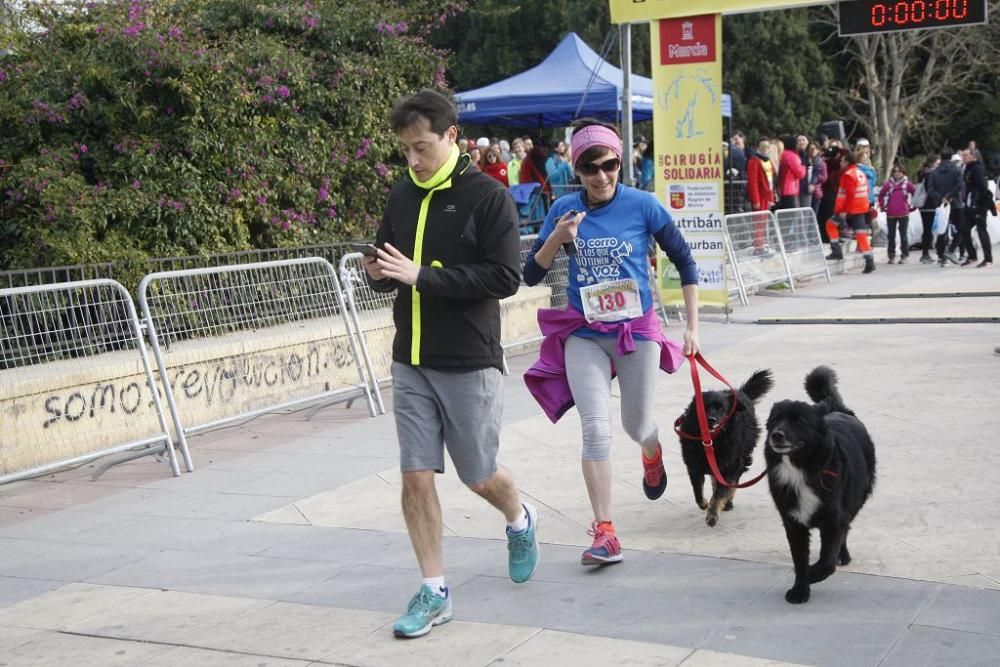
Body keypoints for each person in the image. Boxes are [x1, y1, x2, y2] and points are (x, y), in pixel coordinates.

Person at [364, 89, 539, 639]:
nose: (413, 160)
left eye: (422, 148)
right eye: (406, 151)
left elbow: (504, 278)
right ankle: (434, 590)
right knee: (415, 475)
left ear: (451, 137)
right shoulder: (400, 193)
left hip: (469, 359)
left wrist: (423, 276)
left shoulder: (488, 197)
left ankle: (519, 518)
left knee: (479, 476)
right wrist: (378, 269)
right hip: (410, 358)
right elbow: (391, 254)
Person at [522, 118, 700, 567]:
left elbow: (684, 259)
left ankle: (651, 448)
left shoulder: (643, 205)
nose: (601, 176)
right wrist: (558, 239)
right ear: (576, 169)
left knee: (634, 425)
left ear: (620, 162)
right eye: (589, 167)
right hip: (583, 333)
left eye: (609, 165)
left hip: (635, 332)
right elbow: (531, 273)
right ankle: (605, 532)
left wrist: (692, 327)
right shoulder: (563, 208)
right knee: (595, 429)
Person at [825, 149, 876, 273]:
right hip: (861, 208)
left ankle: (837, 251)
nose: (840, 163)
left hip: (849, 209)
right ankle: (869, 261)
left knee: (830, 225)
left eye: (842, 161)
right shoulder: (860, 172)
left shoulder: (848, 175)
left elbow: (849, 194)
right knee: (861, 234)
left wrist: (844, 211)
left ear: (847, 162)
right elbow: (867, 190)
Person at [960, 147, 995, 267]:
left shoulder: (977, 169)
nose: (963, 157)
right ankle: (972, 255)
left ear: (973, 156)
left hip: (978, 204)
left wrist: (982, 203)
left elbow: (982, 187)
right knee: (964, 229)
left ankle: (988, 258)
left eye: (965, 155)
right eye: (962, 155)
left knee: (981, 231)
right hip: (969, 204)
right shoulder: (967, 168)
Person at [877, 163, 916, 264]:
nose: (897, 173)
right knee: (891, 235)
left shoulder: (907, 183)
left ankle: (904, 255)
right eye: (895, 171)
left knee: (903, 235)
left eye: (899, 171)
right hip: (891, 212)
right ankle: (891, 255)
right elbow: (881, 194)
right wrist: (882, 206)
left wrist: (912, 207)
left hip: (903, 212)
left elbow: (915, 194)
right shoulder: (889, 184)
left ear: (903, 172)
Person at [746, 137, 776, 253]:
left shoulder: (767, 160)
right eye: (763, 146)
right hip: (759, 197)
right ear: (758, 147)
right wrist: (755, 200)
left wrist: (771, 197)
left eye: (767, 147)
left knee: (763, 222)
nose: (765, 149)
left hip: (766, 197)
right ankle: (758, 247)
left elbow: (771, 181)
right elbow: (752, 182)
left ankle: (761, 245)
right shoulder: (754, 161)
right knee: (758, 222)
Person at [777, 133, 807, 210]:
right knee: (791, 215)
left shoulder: (784, 154)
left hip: (783, 188)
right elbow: (800, 174)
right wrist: (803, 166)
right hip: (790, 189)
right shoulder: (792, 157)